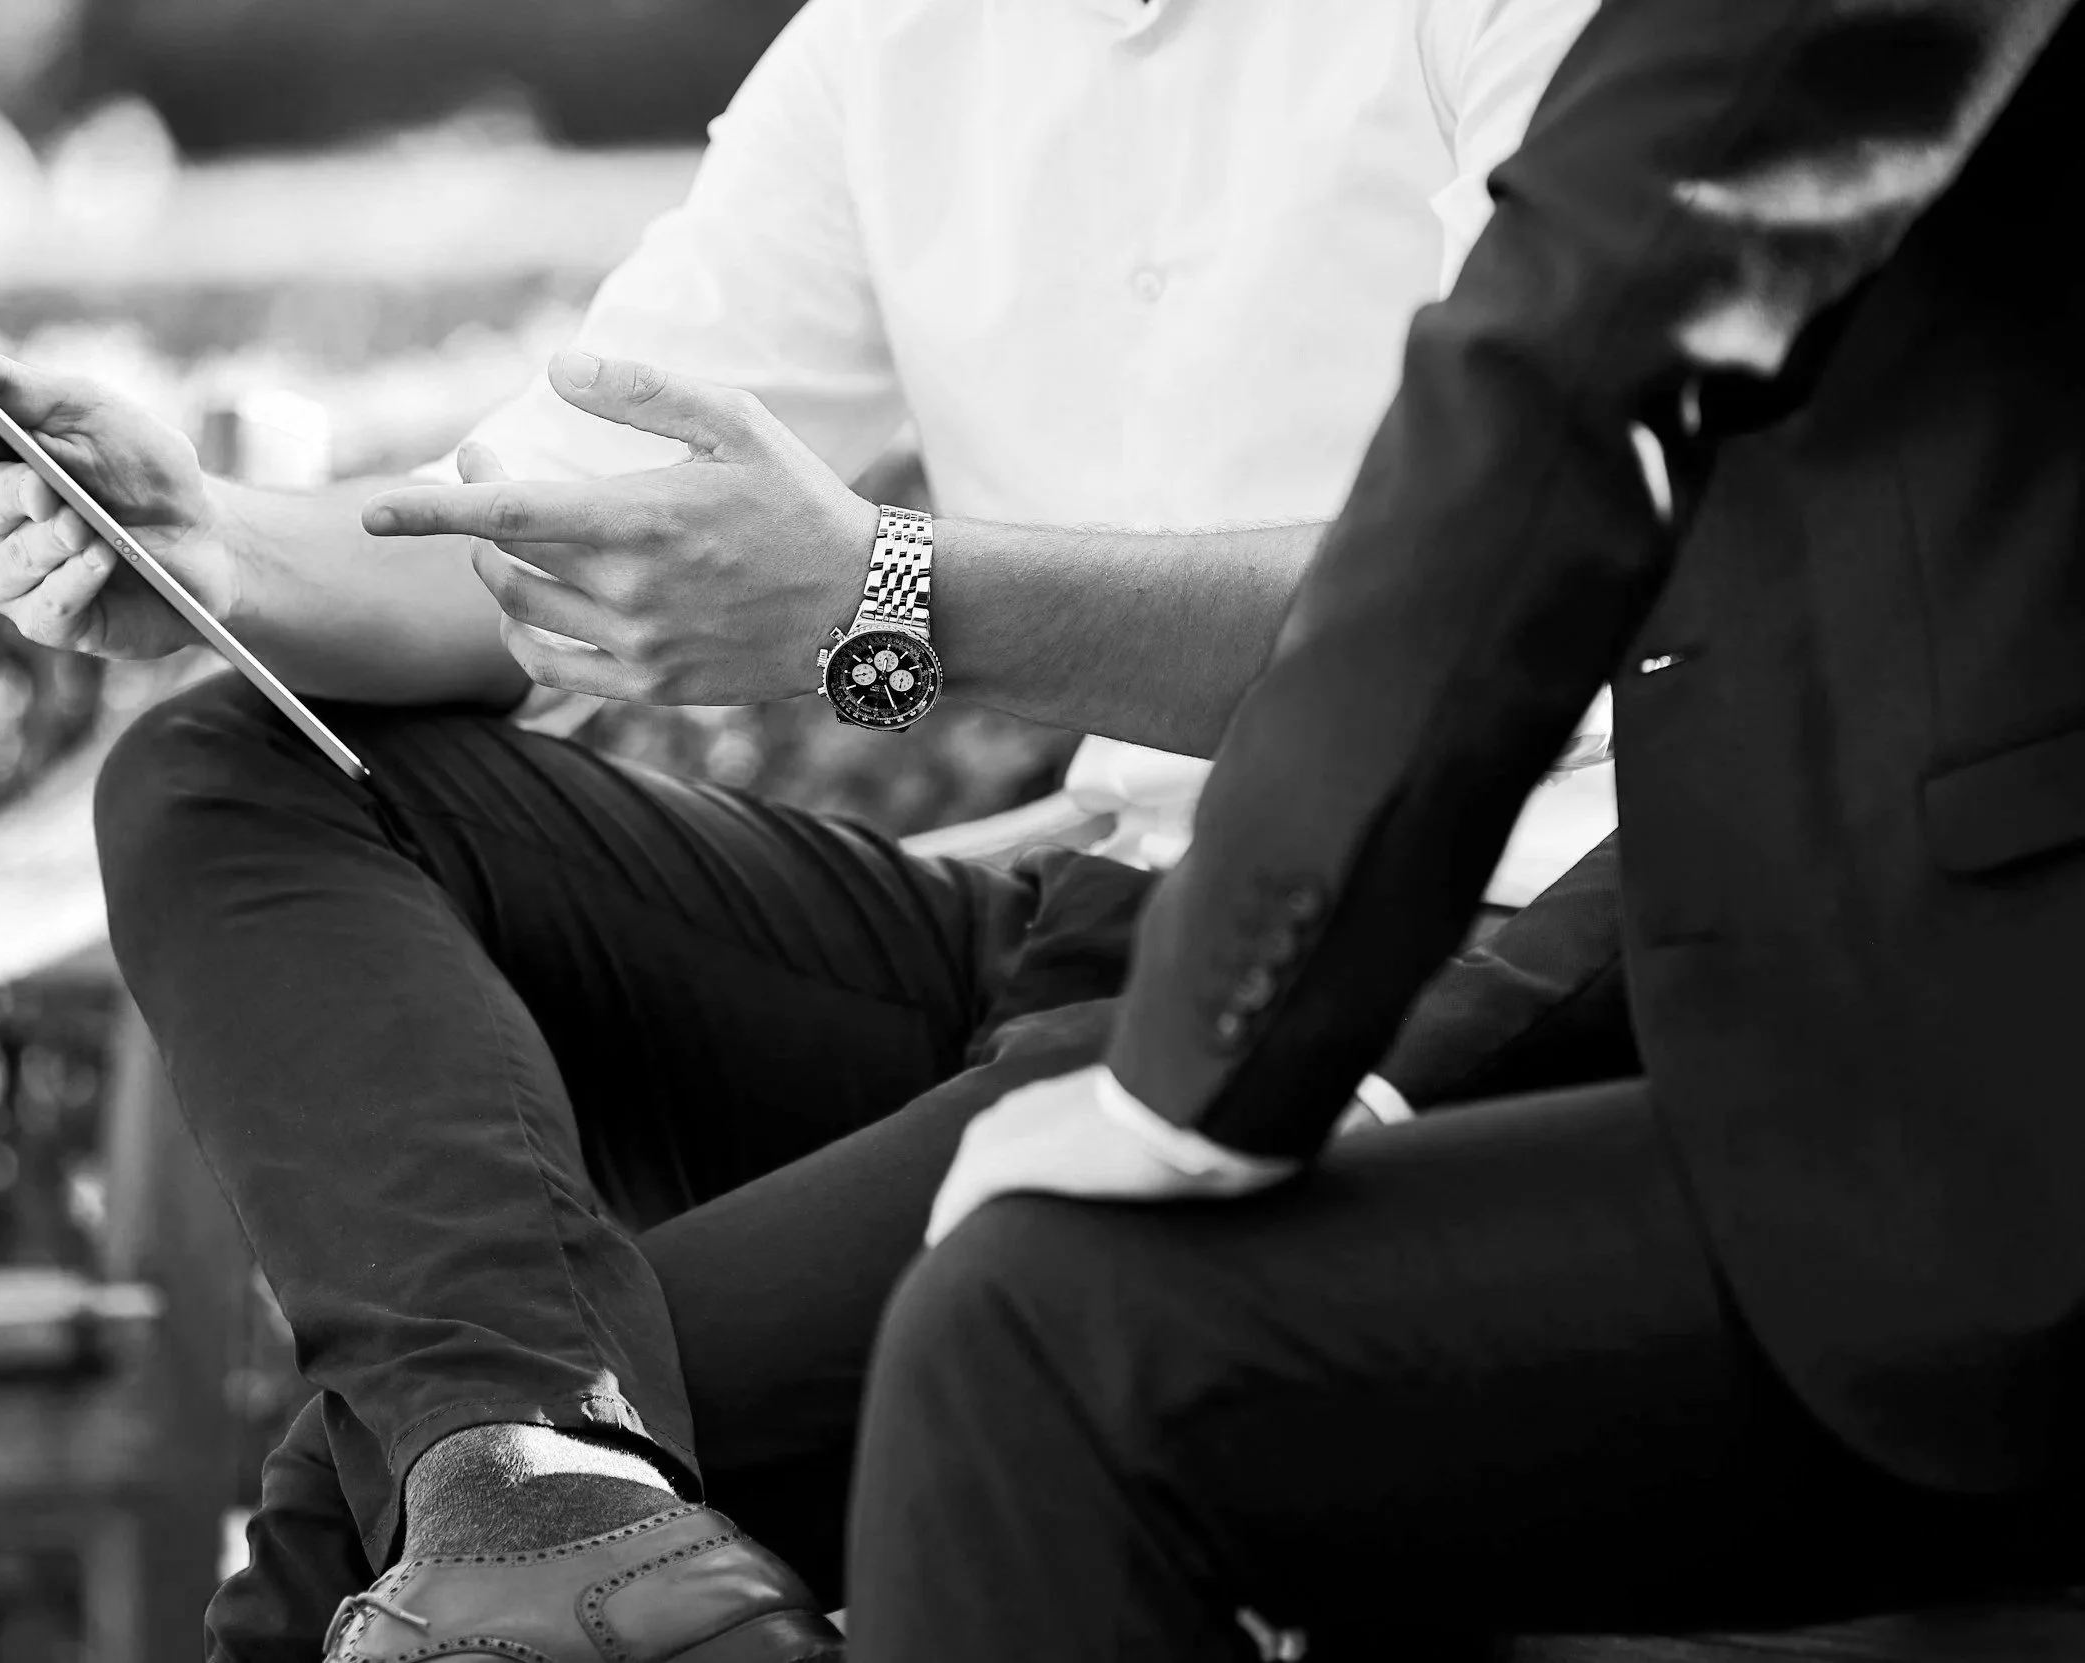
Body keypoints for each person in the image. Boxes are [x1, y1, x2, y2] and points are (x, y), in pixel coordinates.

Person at [0, 0, 1614, 1655]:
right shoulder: (895, 42)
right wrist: (211, 547)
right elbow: (545, 535)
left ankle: (536, 1493)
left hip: (1435, 954)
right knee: (226, 773)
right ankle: (540, 1474)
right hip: (1082, 925)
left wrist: (886, 594)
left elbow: (1500, 594)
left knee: (346, 1527)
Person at [832, 0, 2085, 1657]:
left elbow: (1567, 367)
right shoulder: (882, 52)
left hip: (1976, 1118)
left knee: (1038, 1338)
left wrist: (1203, 1074)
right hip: (1765, 1028)